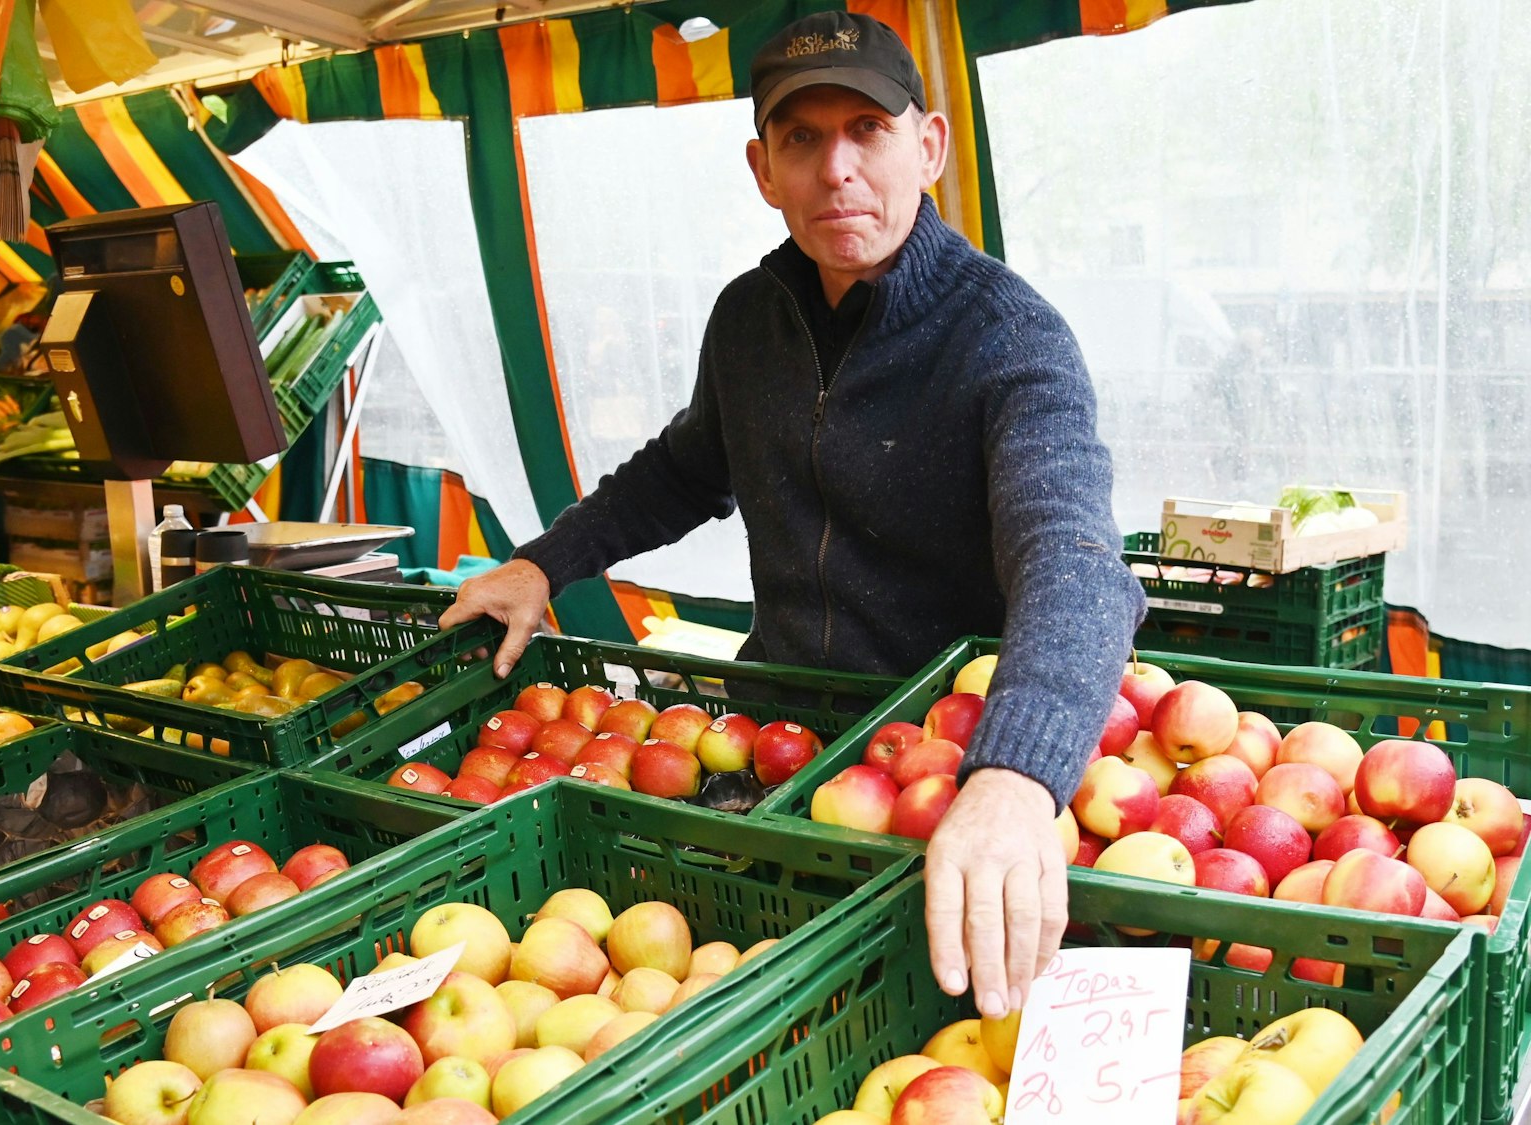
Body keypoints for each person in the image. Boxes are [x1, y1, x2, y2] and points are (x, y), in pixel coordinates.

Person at [437, 10, 1146, 1020]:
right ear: (762, 168)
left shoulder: (1006, 338)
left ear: (928, 146)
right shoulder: (748, 318)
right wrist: (542, 565)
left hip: (934, 774)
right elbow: (684, 471)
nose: (835, 169)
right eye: (801, 139)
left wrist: (1013, 777)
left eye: (866, 129)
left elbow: (1069, 557)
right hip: (774, 748)